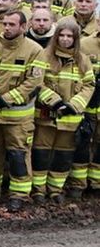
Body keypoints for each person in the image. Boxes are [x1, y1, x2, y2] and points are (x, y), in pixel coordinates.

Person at [0, 9, 45, 210]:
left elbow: (33, 83)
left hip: (18, 118)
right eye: (5, 24)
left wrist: (6, 100)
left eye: (12, 24)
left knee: (18, 155)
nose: (7, 28)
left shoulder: (34, 50)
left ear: (23, 27)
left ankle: (19, 194)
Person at [31, 18, 92, 201]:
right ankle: (38, 190)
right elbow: (37, 82)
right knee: (41, 153)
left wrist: (74, 105)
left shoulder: (83, 60)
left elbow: (89, 85)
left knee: (63, 156)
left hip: (70, 120)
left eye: (69, 36)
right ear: (56, 36)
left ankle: (55, 189)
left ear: (76, 39)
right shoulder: (43, 56)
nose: (65, 39)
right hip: (46, 117)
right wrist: (55, 101)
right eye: (62, 35)